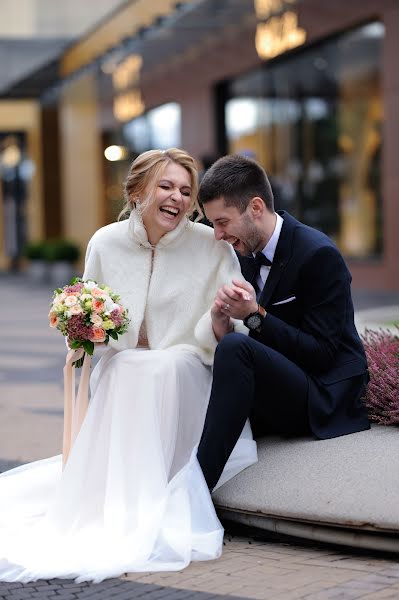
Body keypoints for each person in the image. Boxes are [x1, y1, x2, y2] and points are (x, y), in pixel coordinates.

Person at [0, 149, 257, 583]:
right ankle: (118, 501)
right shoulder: (105, 242)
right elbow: (85, 326)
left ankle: (155, 500)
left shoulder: (208, 246)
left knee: (159, 367)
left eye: (185, 190)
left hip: (189, 365)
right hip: (124, 368)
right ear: (138, 191)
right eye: (165, 186)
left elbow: (235, 330)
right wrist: (86, 326)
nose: (176, 197)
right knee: (124, 368)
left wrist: (217, 322)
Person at [197, 154, 370, 492]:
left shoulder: (318, 254)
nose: (217, 235)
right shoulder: (243, 251)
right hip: (284, 384)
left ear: (256, 208)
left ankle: (197, 489)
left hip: (323, 393)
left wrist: (253, 315)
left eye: (222, 222)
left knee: (235, 348)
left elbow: (321, 354)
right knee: (188, 365)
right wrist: (222, 323)